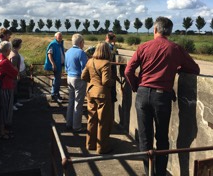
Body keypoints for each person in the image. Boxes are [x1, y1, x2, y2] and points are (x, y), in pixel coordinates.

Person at [124, 17, 200, 176]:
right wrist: (177, 68)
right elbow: (194, 68)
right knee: (162, 138)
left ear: (155, 30)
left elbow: (128, 71)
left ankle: (148, 171)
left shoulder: (143, 47)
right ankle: (160, 173)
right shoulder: (175, 48)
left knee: (145, 138)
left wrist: (137, 86)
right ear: (169, 31)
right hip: (162, 97)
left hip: (143, 94)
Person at [81, 42, 114, 154]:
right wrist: (113, 81)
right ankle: (102, 147)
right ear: (107, 51)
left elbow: (83, 76)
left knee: (92, 118)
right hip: (102, 94)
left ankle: (90, 144)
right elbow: (106, 81)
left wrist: (93, 84)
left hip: (90, 92)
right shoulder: (106, 63)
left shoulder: (90, 61)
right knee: (103, 121)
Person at [0, 41, 19, 139]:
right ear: (8, 50)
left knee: (3, 109)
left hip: (3, 86)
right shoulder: (5, 62)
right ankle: (2, 132)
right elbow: (15, 72)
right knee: (5, 109)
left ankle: (3, 130)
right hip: (6, 87)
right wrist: (14, 68)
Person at [65, 34, 88, 132]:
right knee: (78, 103)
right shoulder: (81, 53)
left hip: (69, 77)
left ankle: (68, 123)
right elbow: (85, 68)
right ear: (81, 42)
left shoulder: (68, 52)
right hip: (78, 78)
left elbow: (66, 67)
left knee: (71, 102)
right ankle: (76, 126)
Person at [44, 32, 65, 103]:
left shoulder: (60, 44)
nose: (60, 38)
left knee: (57, 80)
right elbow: (49, 54)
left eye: (61, 36)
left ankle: (56, 94)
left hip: (59, 64)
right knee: (57, 80)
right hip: (56, 65)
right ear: (55, 37)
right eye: (59, 37)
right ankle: (54, 95)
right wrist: (53, 64)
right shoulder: (53, 44)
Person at [9, 38, 23, 111]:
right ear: (18, 45)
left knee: (15, 89)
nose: (21, 45)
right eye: (20, 44)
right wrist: (17, 75)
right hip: (13, 76)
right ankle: (12, 104)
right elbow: (14, 67)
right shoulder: (14, 55)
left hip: (14, 75)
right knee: (13, 90)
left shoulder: (14, 52)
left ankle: (15, 102)